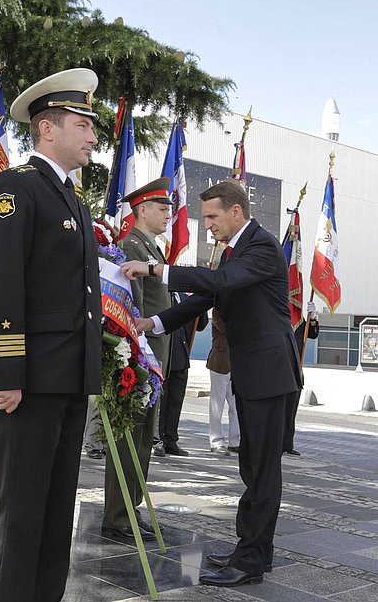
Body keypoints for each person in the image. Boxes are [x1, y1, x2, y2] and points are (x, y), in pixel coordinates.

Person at [122, 180, 301, 588]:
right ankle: (255, 551)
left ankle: (250, 560)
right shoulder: (236, 250)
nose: (207, 225)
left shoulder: (261, 246)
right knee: (253, 466)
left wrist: (154, 269)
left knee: (262, 471)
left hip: (269, 373)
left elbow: (219, 283)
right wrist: (155, 322)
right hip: (255, 372)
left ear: (236, 211)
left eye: (212, 216)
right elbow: (206, 297)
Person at [0, 68, 102, 602]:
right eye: (83, 124)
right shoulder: (16, 187)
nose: (93, 135)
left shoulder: (72, 198)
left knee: (56, 511)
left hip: (67, 377)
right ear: (47, 128)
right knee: (21, 514)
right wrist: (6, 372)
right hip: (27, 381)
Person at [102, 178, 173, 542]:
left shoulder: (152, 248)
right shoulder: (131, 246)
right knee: (130, 434)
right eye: (162, 209)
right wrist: (138, 358)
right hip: (140, 357)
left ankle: (130, 509)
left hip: (153, 357)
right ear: (142, 210)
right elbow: (134, 308)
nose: (168, 215)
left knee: (144, 437)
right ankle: (118, 515)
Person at [158, 305, 208, 456]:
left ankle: (171, 440)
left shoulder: (187, 298)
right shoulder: (168, 295)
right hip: (165, 354)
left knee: (175, 399)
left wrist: (200, 302)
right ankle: (158, 439)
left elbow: (201, 325)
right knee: (162, 401)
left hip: (181, 354)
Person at [286, 302, 319, 455]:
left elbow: (312, 334)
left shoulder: (298, 320)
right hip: (279, 371)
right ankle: (276, 444)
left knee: (291, 411)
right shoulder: (278, 319)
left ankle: (287, 444)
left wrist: (313, 318)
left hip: (296, 371)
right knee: (278, 412)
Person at [206, 309, 240, 455]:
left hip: (236, 364)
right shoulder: (218, 310)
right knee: (217, 405)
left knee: (236, 405)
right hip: (219, 363)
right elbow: (227, 329)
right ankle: (216, 441)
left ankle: (235, 441)